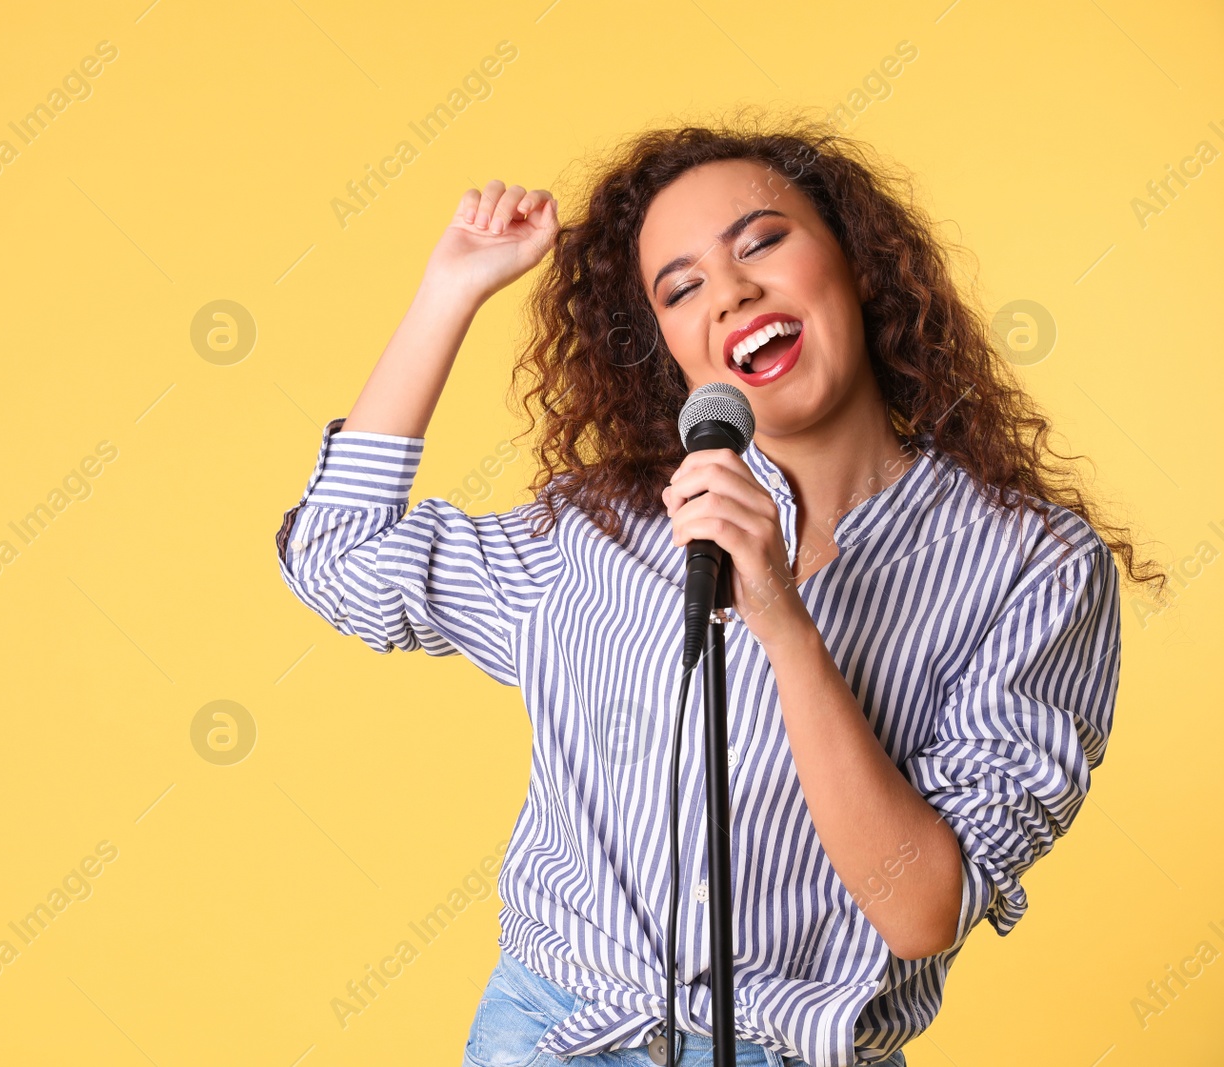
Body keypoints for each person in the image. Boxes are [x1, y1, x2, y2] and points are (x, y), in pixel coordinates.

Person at [273, 110, 1165, 1067]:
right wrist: (447, 294)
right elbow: (338, 553)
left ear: (857, 262)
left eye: (764, 244)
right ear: (670, 346)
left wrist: (782, 620)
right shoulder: (603, 531)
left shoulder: (1033, 565)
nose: (732, 293)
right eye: (682, 287)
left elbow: (919, 910)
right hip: (552, 1038)